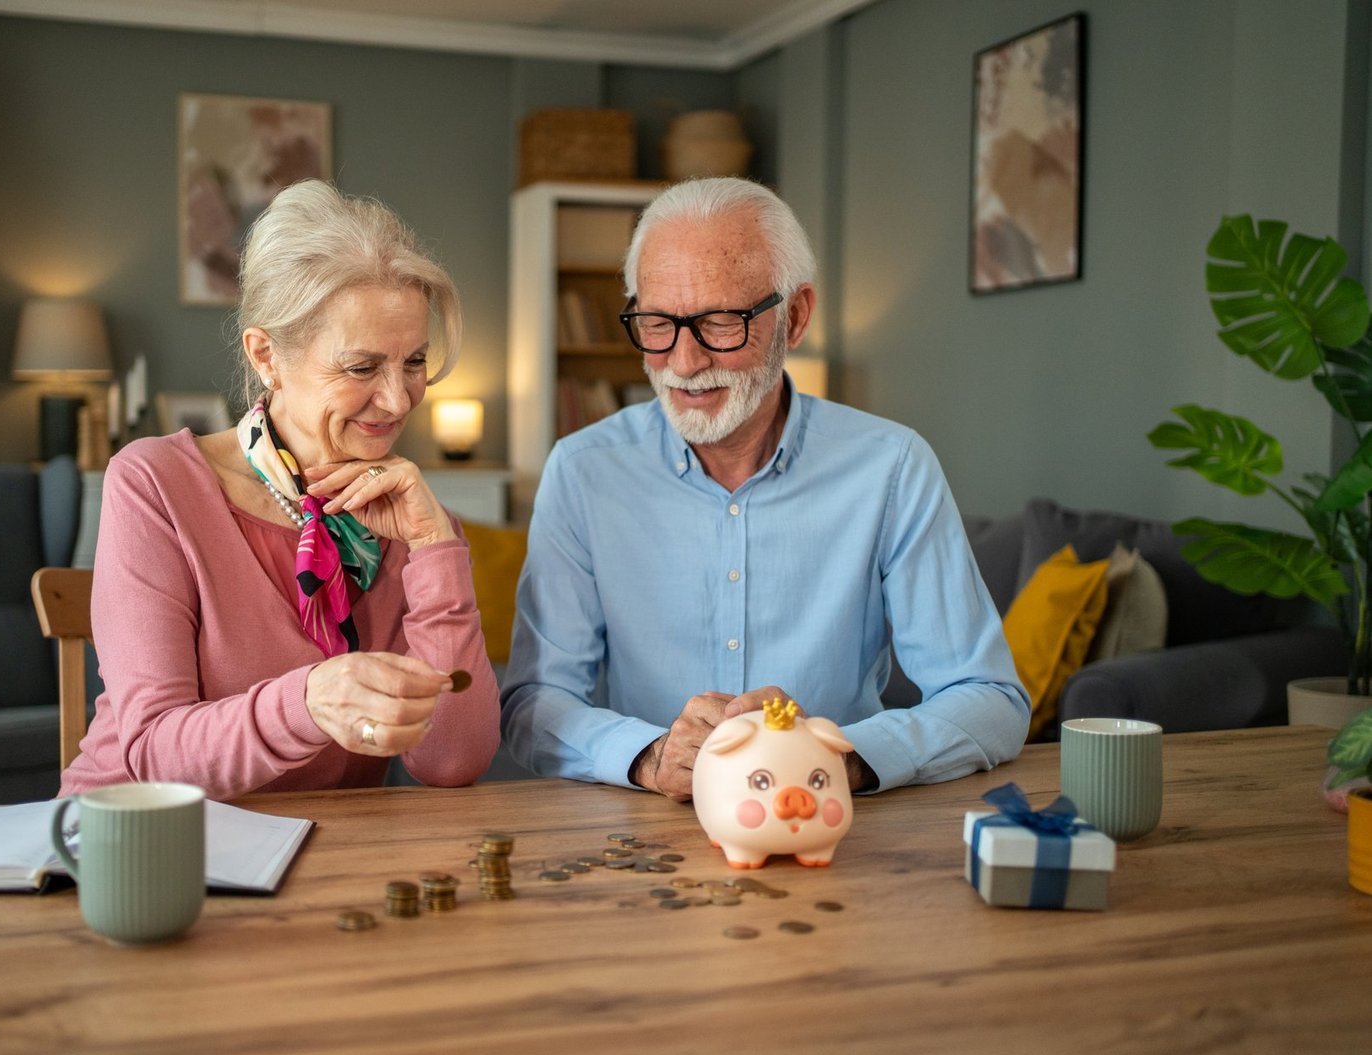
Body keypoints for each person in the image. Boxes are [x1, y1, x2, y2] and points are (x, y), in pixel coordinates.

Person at [500, 177, 1027, 799]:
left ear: (795, 317)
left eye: (719, 324)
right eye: (657, 323)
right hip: (645, 840)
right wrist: (648, 756)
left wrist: (837, 758)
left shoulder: (891, 467)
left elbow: (989, 699)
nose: (684, 363)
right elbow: (534, 702)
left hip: (829, 827)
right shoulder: (583, 471)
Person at [61, 180, 499, 800]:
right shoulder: (156, 484)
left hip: (320, 859)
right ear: (266, 355)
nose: (400, 400)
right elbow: (151, 755)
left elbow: (453, 761)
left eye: (415, 362)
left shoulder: (416, 521)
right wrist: (309, 702)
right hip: (137, 848)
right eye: (361, 367)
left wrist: (435, 550)